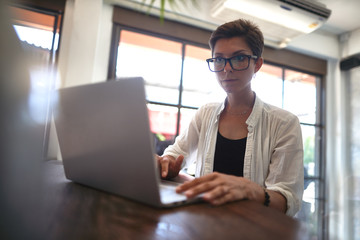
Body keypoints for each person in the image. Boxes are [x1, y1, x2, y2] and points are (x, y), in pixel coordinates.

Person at [156, 19, 304, 217]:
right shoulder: (205, 114)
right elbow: (176, 153)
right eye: (219, 59)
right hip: (204, 224)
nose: (226, 69)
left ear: (257, 64)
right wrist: (167, 162)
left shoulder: (284, 123)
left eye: (239, 58)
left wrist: (251, 191)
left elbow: (288, 201)